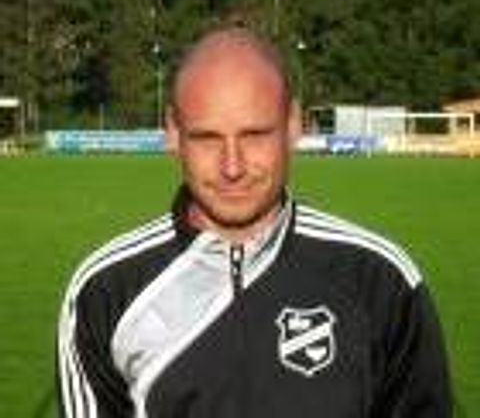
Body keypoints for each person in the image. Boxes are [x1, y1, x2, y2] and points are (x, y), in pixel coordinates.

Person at [57, 26, 452, 418]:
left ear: (293, 124)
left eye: (255, 135)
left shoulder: (378, 279)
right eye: (207, 138)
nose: (232, 167)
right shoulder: (105, 290)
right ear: (173, 133)